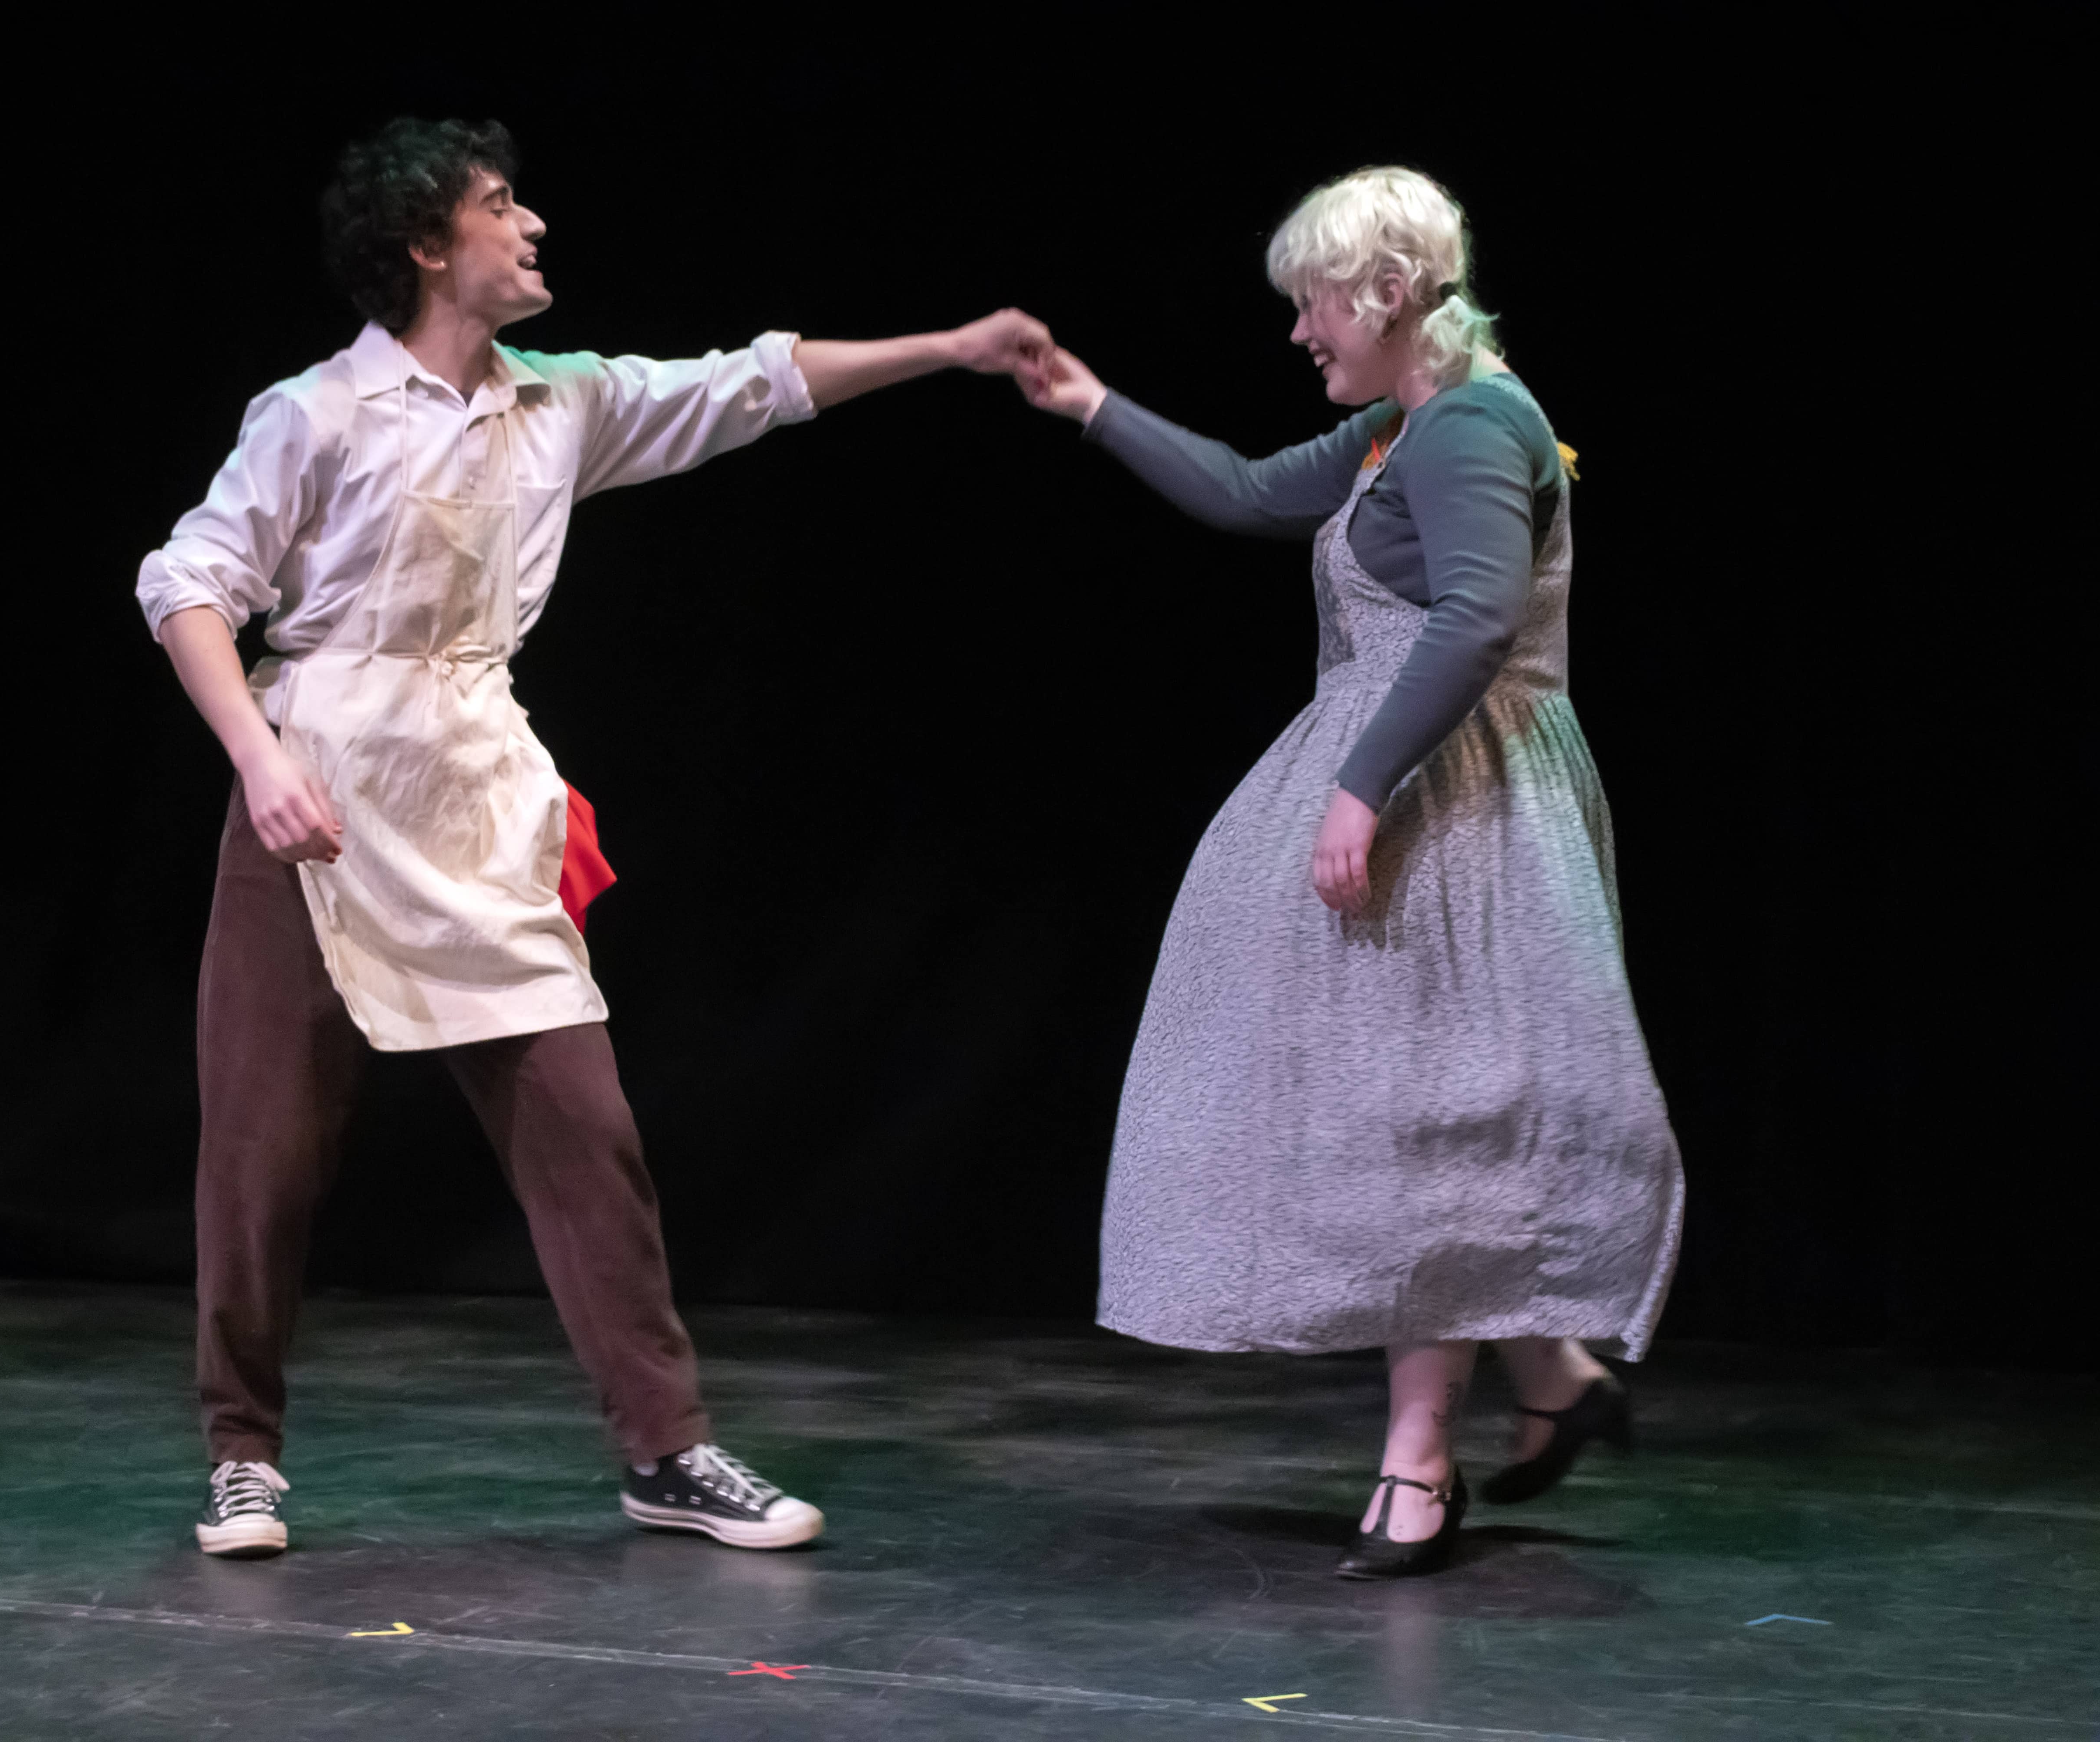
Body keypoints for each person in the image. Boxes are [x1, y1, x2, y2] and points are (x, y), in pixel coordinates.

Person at [135, 117, 1049, 1559]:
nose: (535, 225)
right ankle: (241, 1454)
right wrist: (257, 762)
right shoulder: (313, 412)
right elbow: (187, 584)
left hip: (475, 792)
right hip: (314, 798)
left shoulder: (557, 404)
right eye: (503, 206)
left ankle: (667, 1450)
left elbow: (752, 384)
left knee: (587, 1130)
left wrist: (947, 346)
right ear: (431, 245)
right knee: (262, 1154)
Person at [1016, 167, 1683, 1578]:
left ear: (1382, 291)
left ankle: (1420, 1463)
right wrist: (1089, 403)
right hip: (1417, 787)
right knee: (1417, 1114)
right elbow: (1254, 493)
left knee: (1431, 1120)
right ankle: (1550, 1378)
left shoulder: (1476, 426)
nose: (1301, 333)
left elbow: (1475, 620)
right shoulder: (1407, 424)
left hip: (1466, 803)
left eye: (1313, 303)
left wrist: (1360, 789)